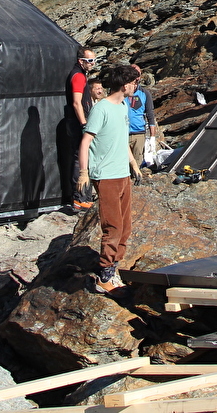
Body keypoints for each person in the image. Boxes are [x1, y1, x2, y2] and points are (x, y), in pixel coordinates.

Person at [77, 63, 145, 294]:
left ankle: (114, 267)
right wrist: (84, 172)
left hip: (122, 173)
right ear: (125, 84)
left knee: (125, 226)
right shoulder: (101, 109)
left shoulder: (124, 106)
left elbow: (122, 138)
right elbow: (86, 141)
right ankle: (104, 275)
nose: (137, 86)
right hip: (105, 176)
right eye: (135, 82)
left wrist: (134, 164)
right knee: (112, 226)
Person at [65, 48, 98, 211]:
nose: (93, 64)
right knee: (80, 160)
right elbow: (77, 102)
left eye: (94, 60)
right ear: (81, 61)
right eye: (90, 60)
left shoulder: (80, 75)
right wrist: (84, 124)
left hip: (76, 122)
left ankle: (83, 197)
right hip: (78, 124)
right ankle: (79, 198)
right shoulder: (78, 76)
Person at [126, 64, 159, 169]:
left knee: (137, 161)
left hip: (139, 133)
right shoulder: (121, 92)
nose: (136, 77)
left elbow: (150, 114)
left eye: (138, 74)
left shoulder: (145, 93)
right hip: (123, 133)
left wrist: (152, 137)